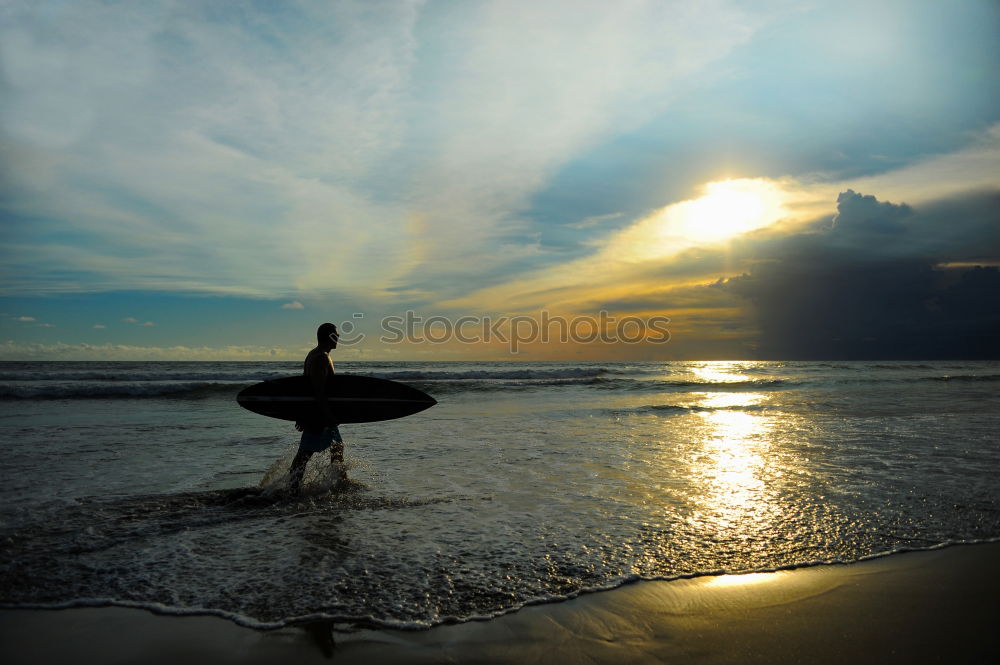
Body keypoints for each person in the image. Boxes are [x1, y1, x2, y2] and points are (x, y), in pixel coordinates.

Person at [288, 322, 347, 494]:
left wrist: (301, 413)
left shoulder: (313, 354)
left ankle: (340, 483)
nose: (339, 338)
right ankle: (293, 490)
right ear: (328, 337)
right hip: (319, 414)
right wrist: (327, 415)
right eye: (336, 335)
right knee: (306, 455)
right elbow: (318, 391)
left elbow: (304, 388)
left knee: (335, 448)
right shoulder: (321, 357)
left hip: (314, 413)